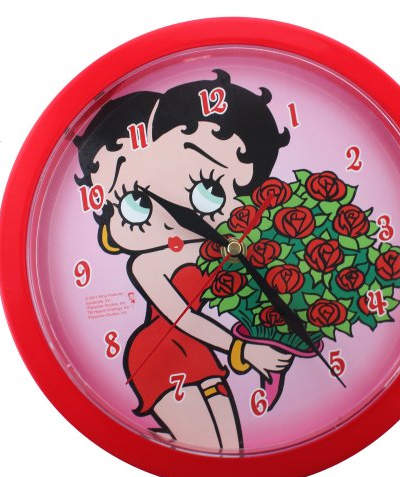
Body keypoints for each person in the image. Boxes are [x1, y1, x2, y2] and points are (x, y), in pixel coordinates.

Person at [73, 69, 292, 451]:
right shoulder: (146, 264)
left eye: (210, 192)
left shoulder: (216, 248)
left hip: (202, 352)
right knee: (209, 449)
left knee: (230, 451)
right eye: (135, 202)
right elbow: (181, 318)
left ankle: (151, 443)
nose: (171, 212)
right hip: (157, 356)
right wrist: (242, 351)